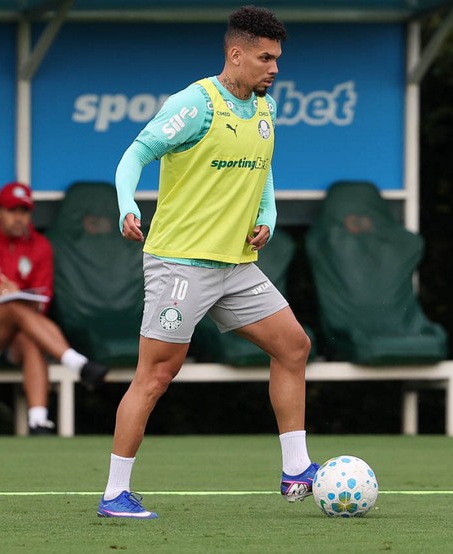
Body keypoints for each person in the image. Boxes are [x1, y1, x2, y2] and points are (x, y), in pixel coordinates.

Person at [96, 6, 315, 519]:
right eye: (265, 58)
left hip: (235, 265)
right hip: (181, 264)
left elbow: (262, 169)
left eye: (277, 58)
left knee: (293, 346)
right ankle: (114, 494)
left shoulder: (265, 107)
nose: (275, 68)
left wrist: (268, 214)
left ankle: (296, 469)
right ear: (236, 54)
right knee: (156, 375)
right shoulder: (195, 104)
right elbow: (134, 155)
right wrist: (127, 205)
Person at [0, 181, 108, 435]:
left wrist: (20, 299)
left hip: (23, 331)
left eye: (24, 211)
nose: (19, 218)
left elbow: (43, 301)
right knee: (13, 309)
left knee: (30, 336)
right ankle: (76, 362)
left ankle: (38, 420)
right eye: (12, 210)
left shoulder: (40, 246)